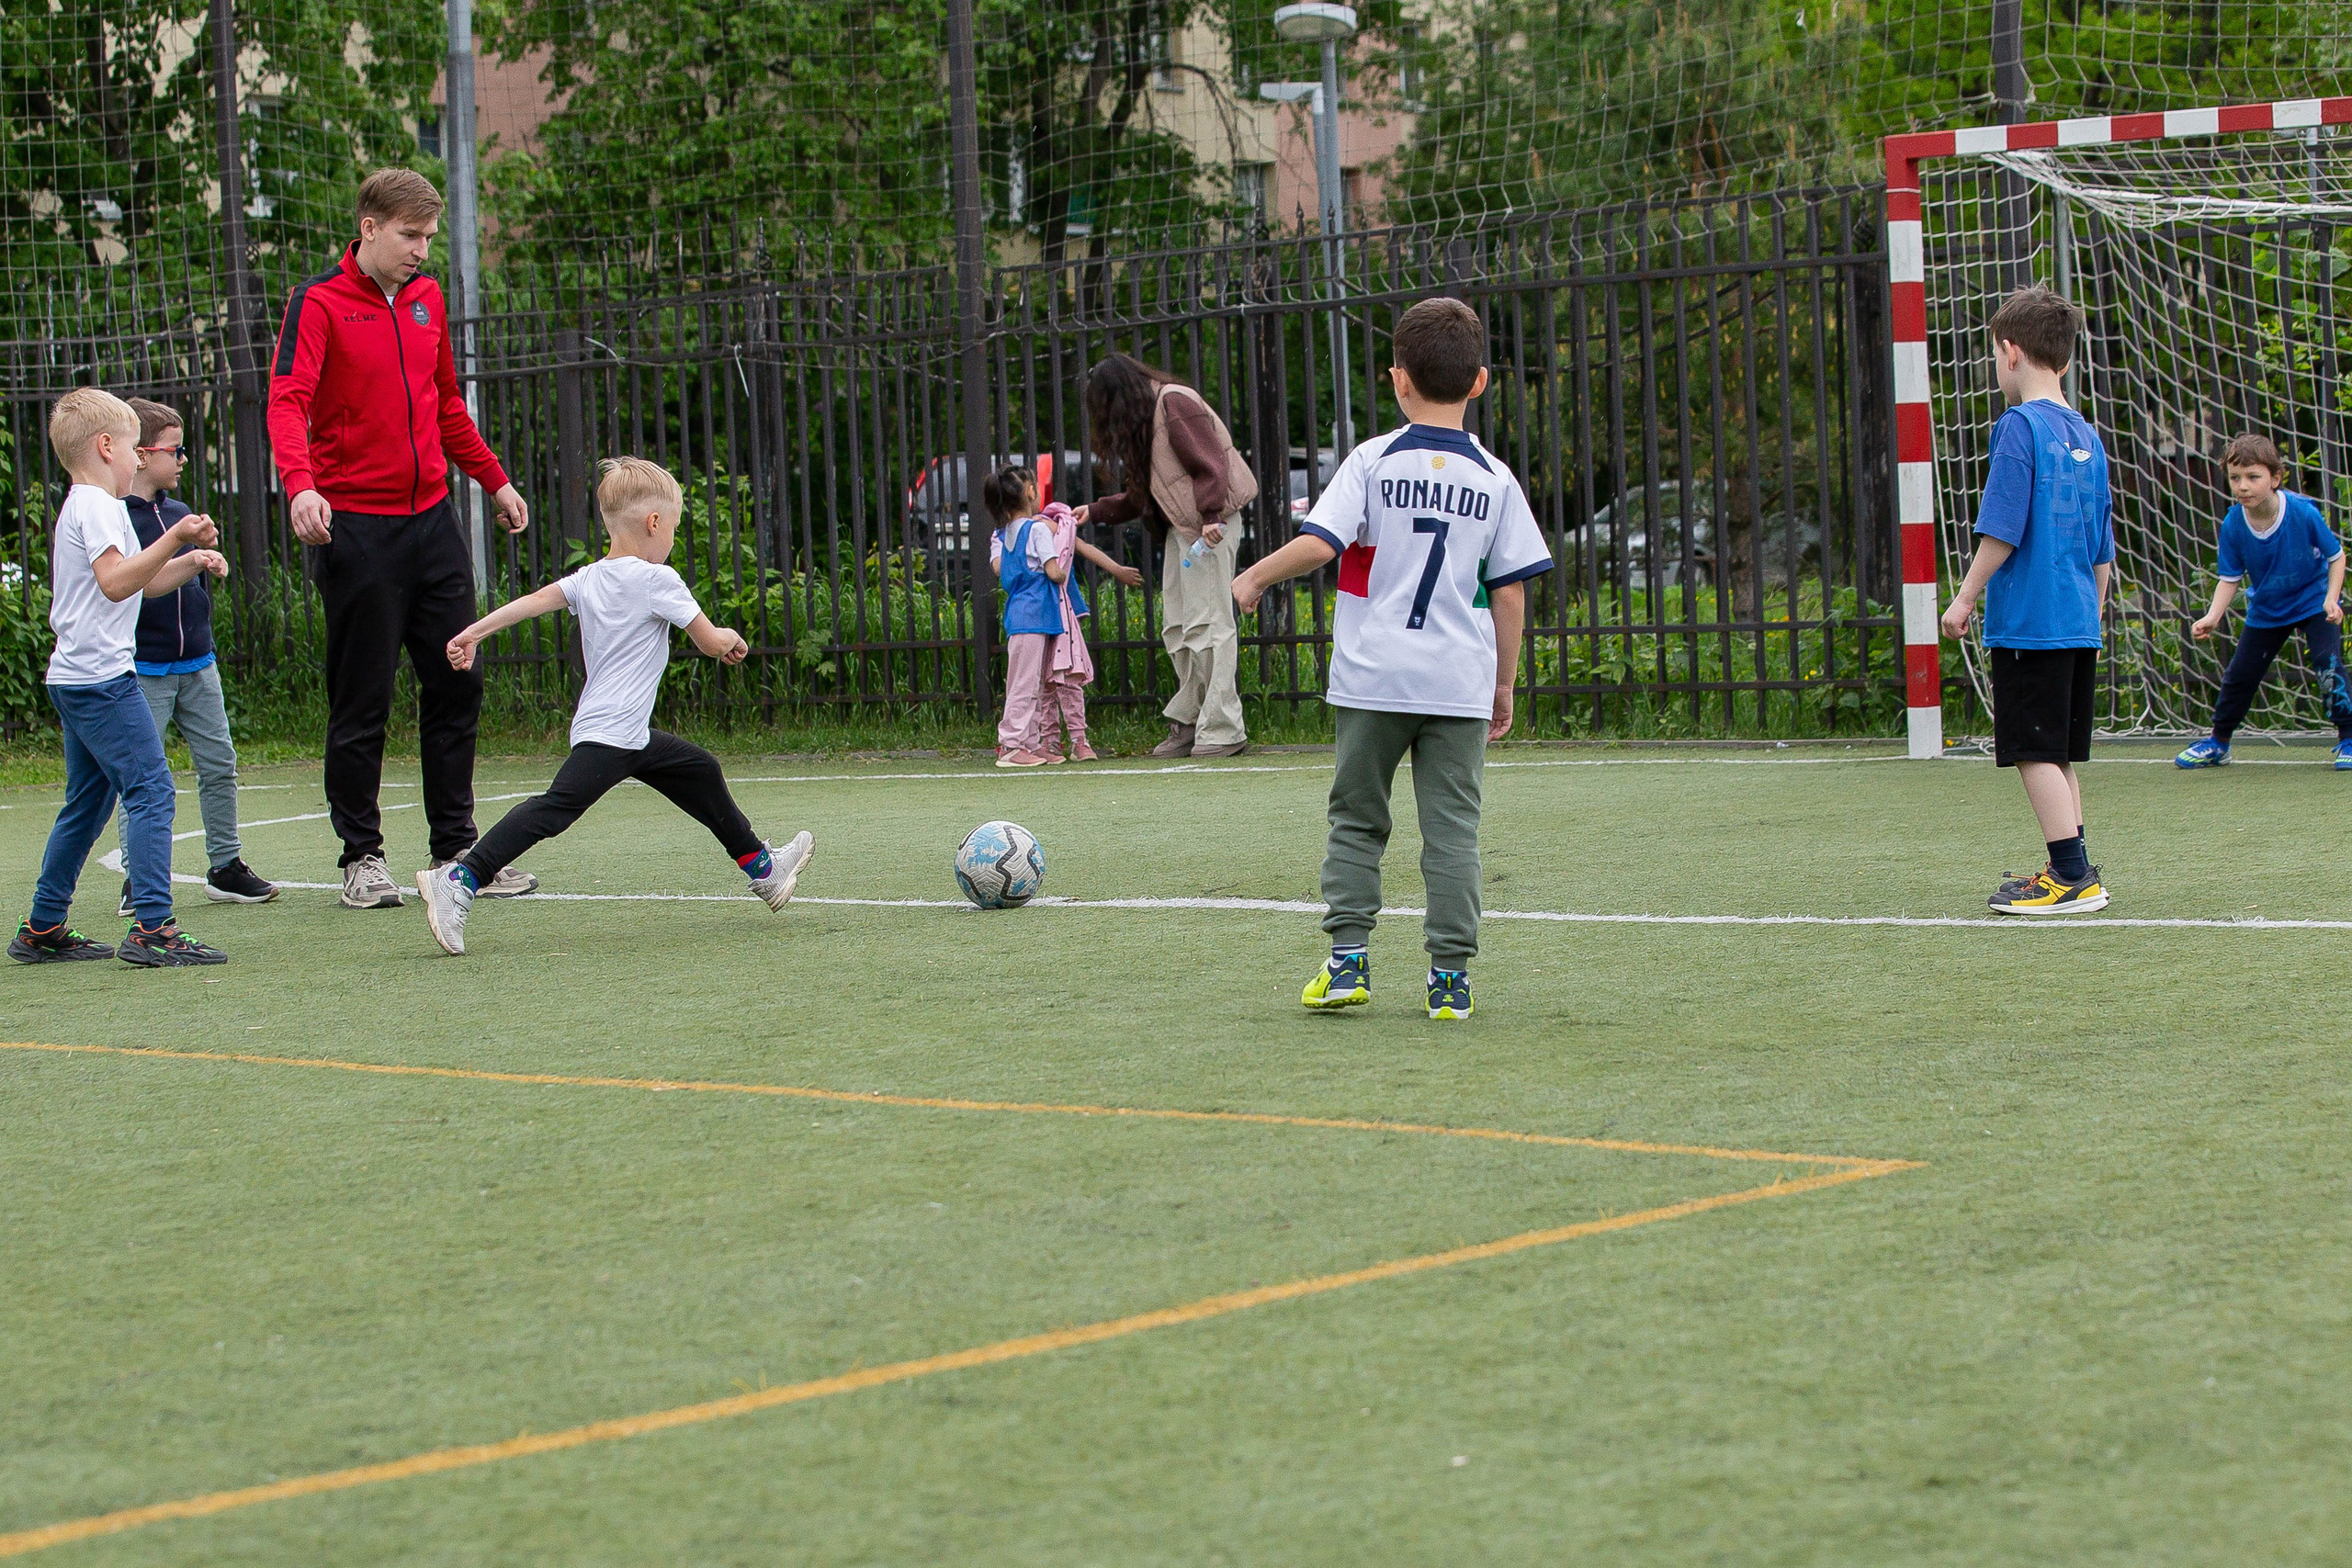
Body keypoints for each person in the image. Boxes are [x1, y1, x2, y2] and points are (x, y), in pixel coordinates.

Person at [1231, 298, 1552, 1020]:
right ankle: (1450, 980)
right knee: (1453, 831)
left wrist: (1253, 578)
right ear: (1480, 382)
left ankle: (1348, 962)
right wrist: (1503, 683)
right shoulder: (1496, 480)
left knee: (1356, 818)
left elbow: (1321, 543)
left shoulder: (1372, 462)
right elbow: (1510, 592)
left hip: (1373, 678)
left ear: (1397, 379)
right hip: (1458, 682)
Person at [267, 167, 534, 911]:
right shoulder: (318, 302)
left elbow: (445, 402)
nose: (422, 250)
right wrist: (302, 484)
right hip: (355, 526)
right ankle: (362, 858)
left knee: (458, 679)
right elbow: (287, 400)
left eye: (429, 237)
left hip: (432, 522)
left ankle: (457, 854)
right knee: (363, 698)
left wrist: (495, 479)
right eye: (410, 235)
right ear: (370, 228)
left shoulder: (427, 299)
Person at [414, 458, 814, 955]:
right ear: (654, 523)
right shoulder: (658, 580)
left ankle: (763, 870)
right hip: (614, 736)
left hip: (623, 733)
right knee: (553, 810)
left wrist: (473, 633)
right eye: (674, 528)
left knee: (700, 770)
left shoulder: (588, 578)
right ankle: (461, 878)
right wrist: (731, 638)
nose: (672, 539)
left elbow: (530, 603)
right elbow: (711, 642)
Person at [10, 389, 229, 967]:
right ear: (107, 447)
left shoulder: (88, 504)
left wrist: (190, 561)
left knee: (87, 804)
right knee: (152, 790)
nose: (140, 458)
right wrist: (176, 536)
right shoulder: (101, 507)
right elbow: (114, 582)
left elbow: (143, 582)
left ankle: (43, 926)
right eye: (135, 447)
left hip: (76, 678)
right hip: (102, 681)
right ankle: (153, 927)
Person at [1939, 284, 2115, 915]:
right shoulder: (2087, 435)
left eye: (1994, 354)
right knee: (2059, 752)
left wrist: (1964, 599)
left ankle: (2069, 877)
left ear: (2010, 352)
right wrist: (2093, 611)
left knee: (2034, 751)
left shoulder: (2019, 426)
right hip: (2077, 618)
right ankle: (2075, 864)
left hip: (2031, 623)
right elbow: (2102, 548)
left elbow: (2002, 528)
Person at [107, 397, 277, 917]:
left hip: (198, 664)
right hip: (145, 668)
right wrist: (193, 556)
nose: (183, 460)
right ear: (141, 455)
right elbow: (142, 585)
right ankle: (138, 878)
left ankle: (225, 867)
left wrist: (206, 559)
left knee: (219, 763)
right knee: (143, 776)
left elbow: (185, 581)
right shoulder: (115, 519)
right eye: (175, 451)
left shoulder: (180, 513)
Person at [1075, 353, 1257, 758]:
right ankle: (1192, 719)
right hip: (1186, 530)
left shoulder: (1174, 401)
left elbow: (1210, 463)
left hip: (1210, 527)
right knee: (1178, 626)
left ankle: (1223, 727)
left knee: (1210, 624)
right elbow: (1145, 493)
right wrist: (1097, 511)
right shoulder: (1147, 418)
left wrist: (1210, 514)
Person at [2173, 433, 2352, 770]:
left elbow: (2336, 556)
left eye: (2253, 477)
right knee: (2241, 674)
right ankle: (2219, 743)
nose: (2243, 486)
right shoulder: (2233, 524)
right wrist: (2212, 616)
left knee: (2327, 663)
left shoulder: (2302, 513)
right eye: (2235, 478)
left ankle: (2349, 737)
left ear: (2275, 478)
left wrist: (2331, 599)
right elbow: (2230, 577)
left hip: (2313, 601)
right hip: (2268, 608)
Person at [983, 465, 1069, 770]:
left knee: (1029, 682)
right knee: (1025, 684)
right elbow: (1053, 571)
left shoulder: (1006, 532)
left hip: (1020, 615)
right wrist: (1064, 570)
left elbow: (1001, 567)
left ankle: (1030, 743)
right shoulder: (1037, 530)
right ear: (1031, 491)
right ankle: (1012, 744)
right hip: (1035, 614)